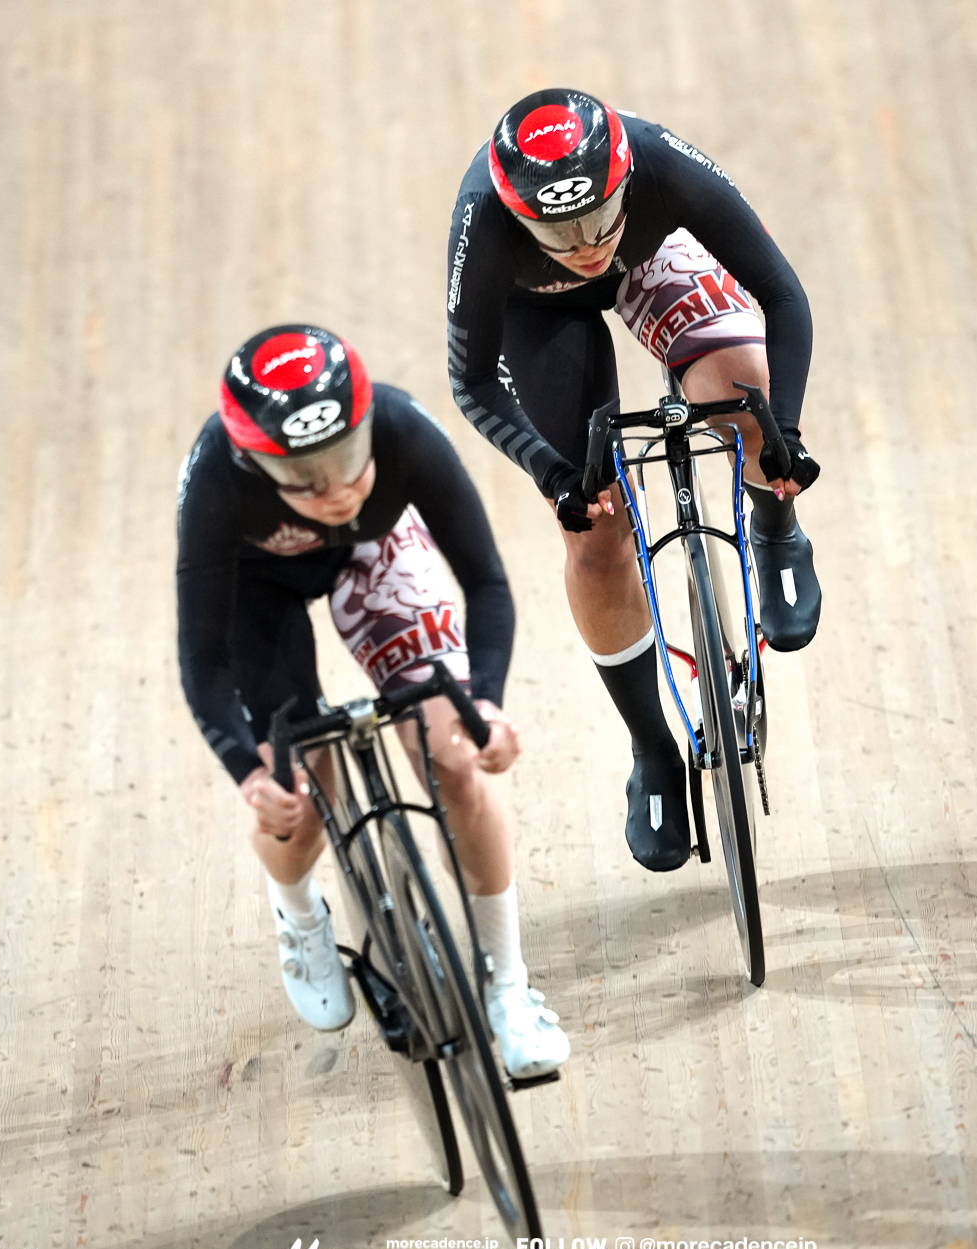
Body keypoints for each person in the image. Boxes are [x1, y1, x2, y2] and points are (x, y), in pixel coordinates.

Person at [445, 88, 823, 873]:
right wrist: (554, 477)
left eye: (595, 217)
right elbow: (472, 380)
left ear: (621, 177)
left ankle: (775, 524)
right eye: (558, 229)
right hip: (537, 313)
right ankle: (652, 748)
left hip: (649, 255)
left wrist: (782, 427)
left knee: (743, 392)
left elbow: (783, 294)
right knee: (595, 532)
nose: (583, 244)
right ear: (519, 214)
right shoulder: (482, 221)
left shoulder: (656, 160)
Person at [177, 323, 569, 1078]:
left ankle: (510, 989)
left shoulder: (400, 426)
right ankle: (298, 914)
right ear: (255, 463)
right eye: (306, 476)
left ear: (363, 424)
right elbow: (203, 661)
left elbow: (487, 583)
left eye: (347, 461)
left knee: (454, 758)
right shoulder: (218, 484)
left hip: (376, 550)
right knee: (302, 790)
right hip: (257, 594)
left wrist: (483, 704)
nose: (335, 490)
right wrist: (250, 777)